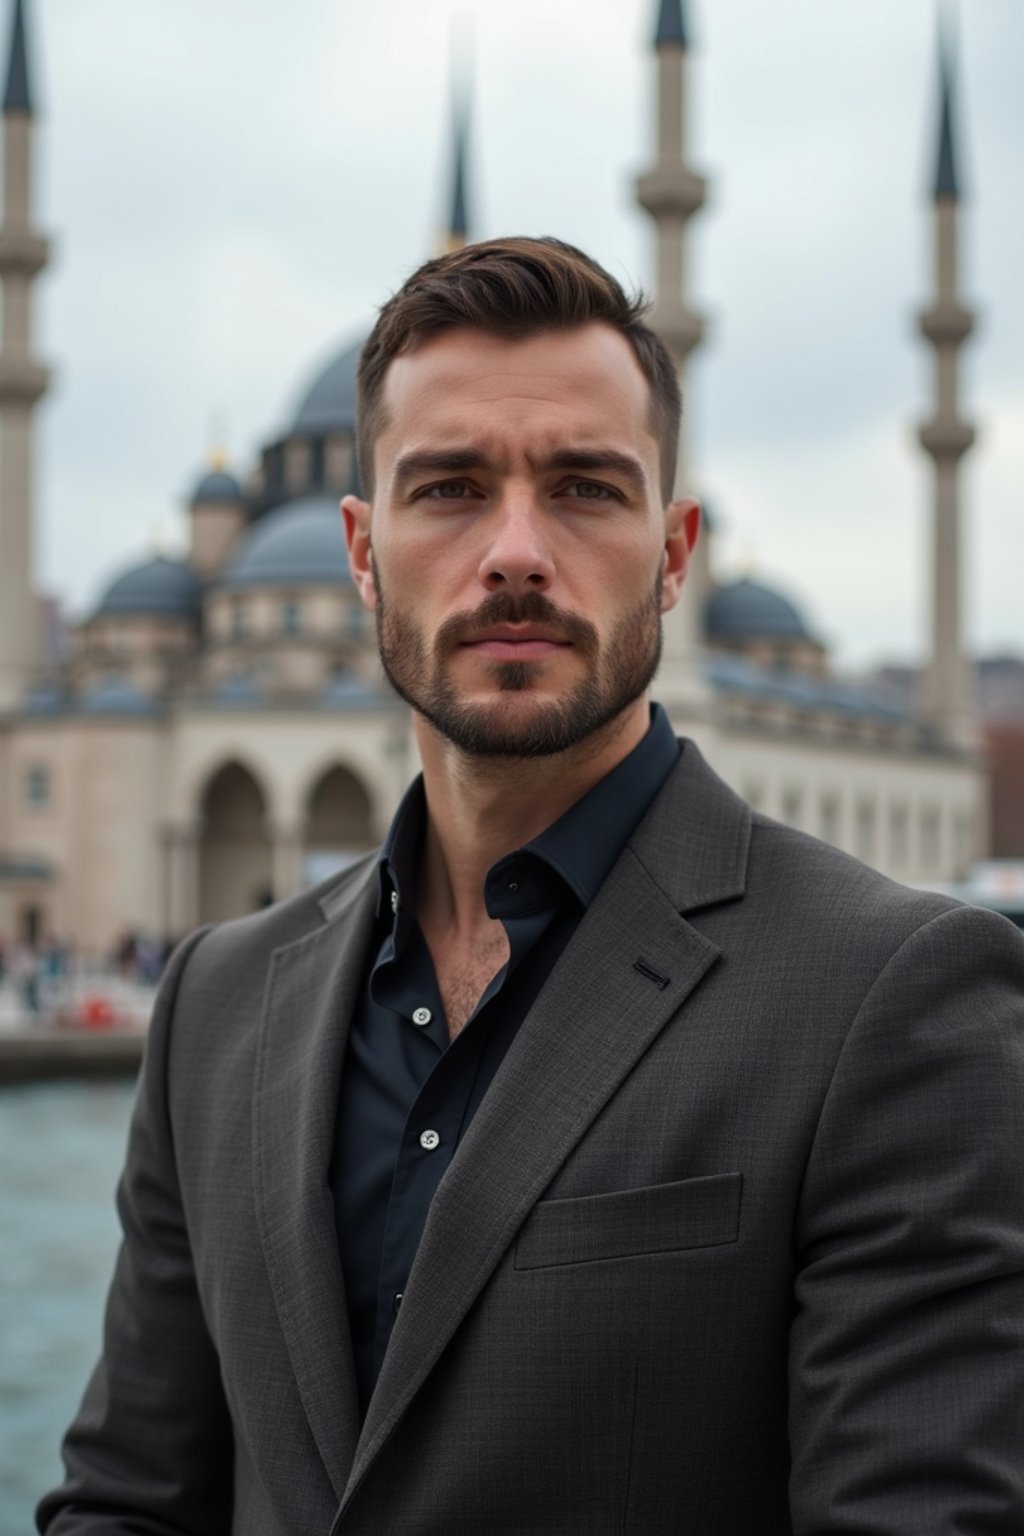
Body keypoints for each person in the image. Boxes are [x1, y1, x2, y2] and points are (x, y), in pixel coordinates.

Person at [40, 237, 1024, 1535]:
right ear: (358, 550)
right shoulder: (220, 1008)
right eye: (448, 488)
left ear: (676, 554)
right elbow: (129, 1498)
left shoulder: (892, 1002)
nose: (515, 552)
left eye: (582, 489)